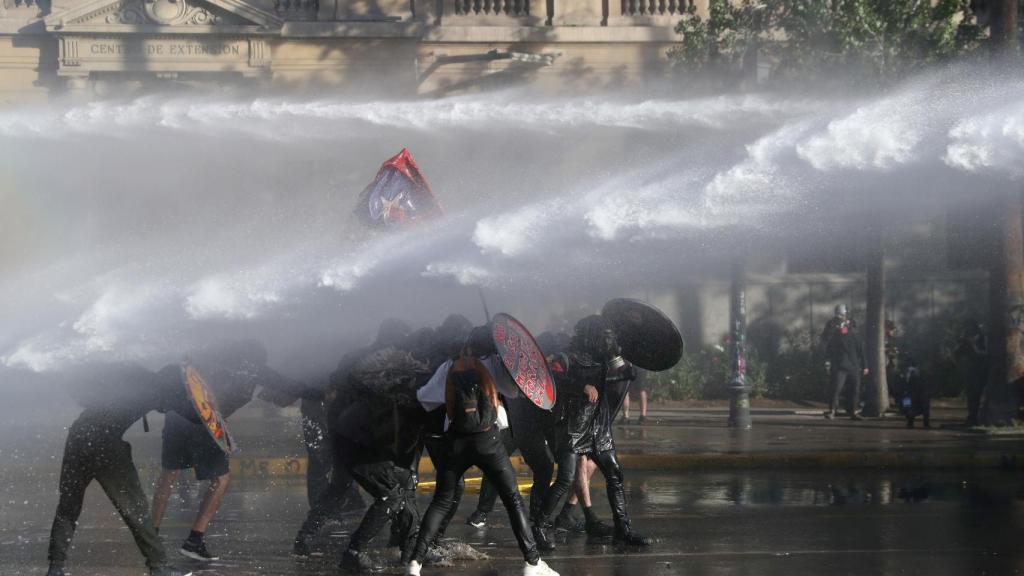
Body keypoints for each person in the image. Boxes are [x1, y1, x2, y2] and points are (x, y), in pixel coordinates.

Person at [405, 326, 558, 576]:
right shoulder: (495, 364)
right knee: (512, 499)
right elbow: (515, 391)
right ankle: (532, 563)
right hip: (489, 442)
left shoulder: (449, 367)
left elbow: (424, 398)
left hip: (456, 440)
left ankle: (414, 563)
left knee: (441, 501)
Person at [150, 340, 319, 562]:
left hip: (177, 418)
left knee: (168, 475)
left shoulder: (213, 356)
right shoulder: (252, 368)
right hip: (204, 424)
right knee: (220, 480)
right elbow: (289, 385)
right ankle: (194, 540)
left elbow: (187, 366)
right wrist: (322, 393)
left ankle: (150, 537)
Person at [47, 362, 194, 576]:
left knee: (68, 506)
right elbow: (177, 408)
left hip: (78, 436)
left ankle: (55, 567)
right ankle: (160, 567)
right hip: (105, 442)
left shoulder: (137, 377)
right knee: (136, 508)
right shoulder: (153, 389)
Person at [292, 319, 413, 558]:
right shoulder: (394, 364)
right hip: (369, 440)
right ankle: (387, 546)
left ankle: (305, 536)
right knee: (395, 489)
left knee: (340, 485)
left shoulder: (356, 357)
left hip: (346, 434)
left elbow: (333, 394)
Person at [533, 315, 650, 549]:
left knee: (614, 474)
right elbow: (548, 378)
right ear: (590, 335)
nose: (606, 341)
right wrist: (580, 386)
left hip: (599, 427)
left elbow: (621, 377)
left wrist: (619, 362)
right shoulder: (566, 357)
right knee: (565, 478)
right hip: (573, 427)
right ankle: (538, 527)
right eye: (603, 336)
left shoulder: (604, 359)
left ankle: (622, 530)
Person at [821, 304, 868, 420]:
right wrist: (835, 327)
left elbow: (860, 347)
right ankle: (832, 410)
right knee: (836, 388)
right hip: (839, 364)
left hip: (853, 364)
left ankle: (854, 412)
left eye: (843, 314)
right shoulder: (832, 325)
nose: (842, 317)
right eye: (840, 314)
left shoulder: (853, 327)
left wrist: (865, 365)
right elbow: (826, 340)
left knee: (855, 389)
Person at [955, 319, 989, 426]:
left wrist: (973, 346)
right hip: (972, 373)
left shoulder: (983, 339)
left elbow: (986, 354)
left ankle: (975, 417)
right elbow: (957, 354)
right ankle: (972, 417)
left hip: (983, 372)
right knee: (972, 397)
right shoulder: (966, 341)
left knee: (977, 396)